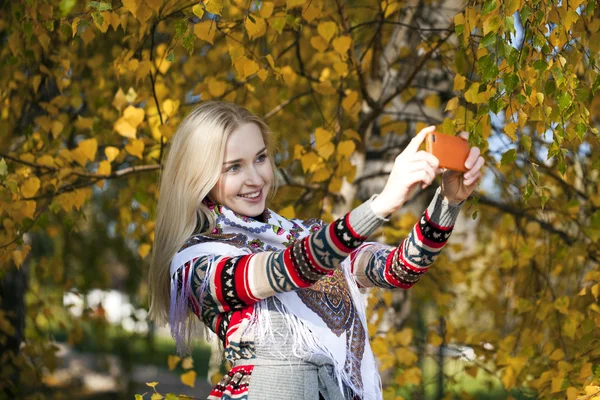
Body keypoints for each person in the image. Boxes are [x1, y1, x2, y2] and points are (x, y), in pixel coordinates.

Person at [148, 101, 485, 400]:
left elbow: (399, 269)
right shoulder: (196, 262)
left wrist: (448, 202)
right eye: (233, 167)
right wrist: (381, 204)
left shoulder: (306, 235)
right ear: (199, 177)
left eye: (260, 158)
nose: (255, 178)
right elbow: (286, 269)